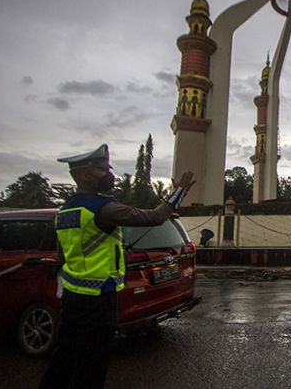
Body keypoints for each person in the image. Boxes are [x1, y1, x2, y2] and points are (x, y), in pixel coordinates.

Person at [39, 144, 196, 389]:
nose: (107, 174)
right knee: (91, 367)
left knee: (63, 360)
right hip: (99, 300)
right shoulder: (104, 209)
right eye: (102, 169)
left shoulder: (65, 212)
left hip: (71, 298)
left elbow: (65, 255)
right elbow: (154, 217)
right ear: (86, 174)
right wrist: (179, 192)